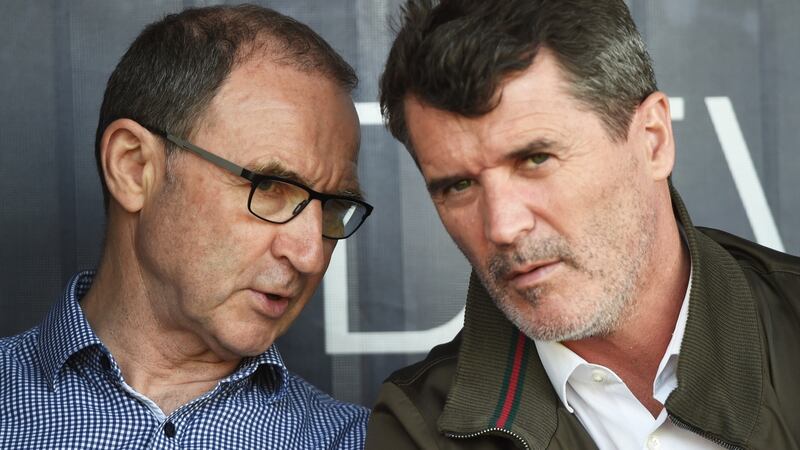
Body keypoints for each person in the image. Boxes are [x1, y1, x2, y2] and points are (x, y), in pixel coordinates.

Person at [366, 0, 800, 449]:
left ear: (653, 141)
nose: (503, 226)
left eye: (535, 159)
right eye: (458, 186)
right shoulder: (418, 427)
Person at [0, 5, 373, 449]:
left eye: (334, 207)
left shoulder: (357, 441)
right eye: (271, 186)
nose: (311, 254)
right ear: (134, 168)